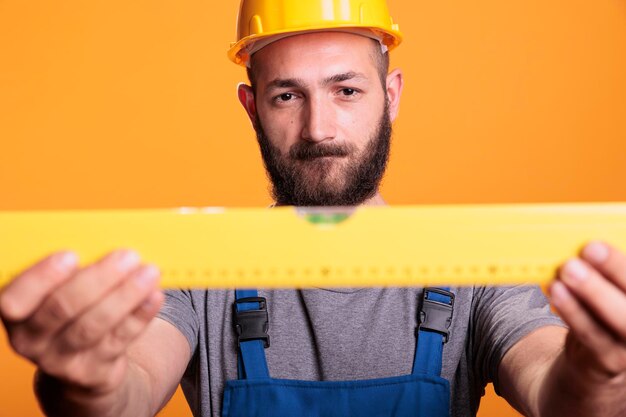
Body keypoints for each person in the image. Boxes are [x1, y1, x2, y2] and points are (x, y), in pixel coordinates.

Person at [1, 0, 625, 416]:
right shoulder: (198, 274)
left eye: (346, 90)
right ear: (250, 106)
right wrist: (85, 380)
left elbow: (556, 390)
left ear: (392, 93)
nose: (319, 128)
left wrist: (603, 371)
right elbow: (126, 391)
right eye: (286, 96)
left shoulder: (474, 272)